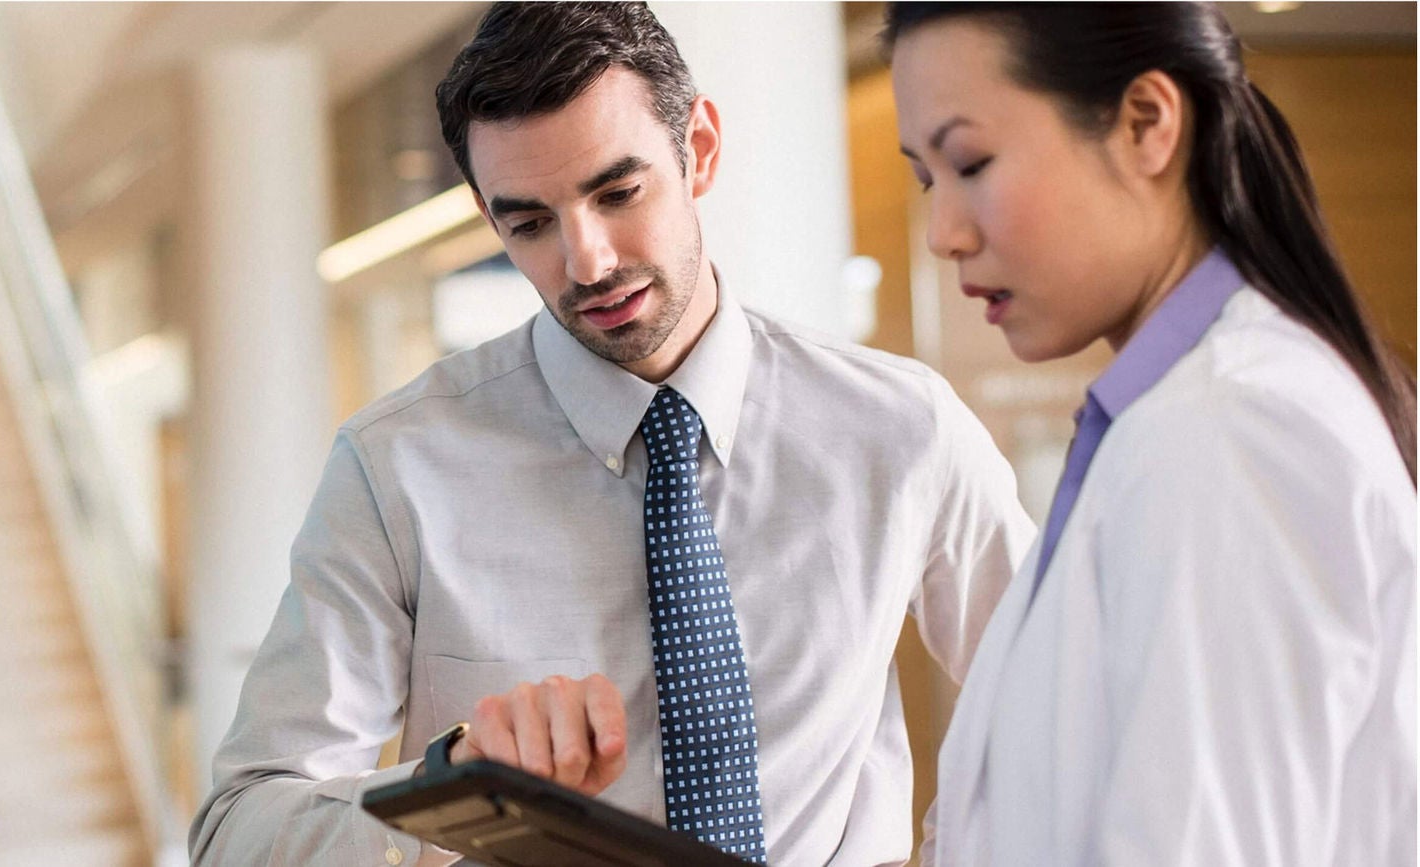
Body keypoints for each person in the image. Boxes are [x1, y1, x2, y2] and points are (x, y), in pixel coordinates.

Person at [190, 4, 1035, 864]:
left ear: (698, 149)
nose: (586, 259)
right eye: (530, 223)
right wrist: (450, 785)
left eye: (618, 192)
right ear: (490, 220)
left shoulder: (899, 428)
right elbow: (239, 826)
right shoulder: (396, 466)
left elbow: (1062, 703)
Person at [885, 3, 1417, 864]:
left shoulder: (1227, 435)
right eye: (927, 179)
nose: (946, 233)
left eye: (972, 163)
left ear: (1145, 126)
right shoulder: (1170, 422)